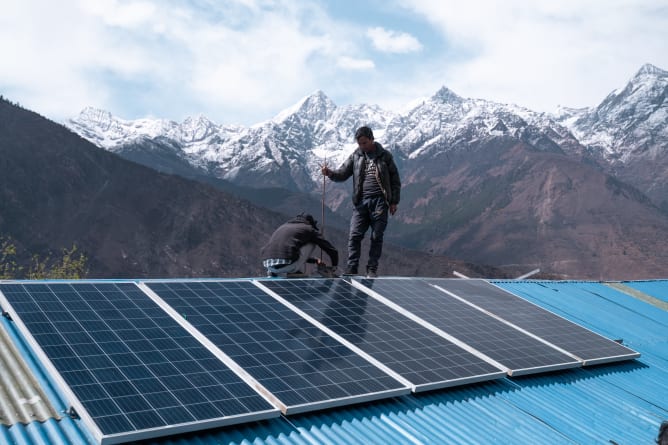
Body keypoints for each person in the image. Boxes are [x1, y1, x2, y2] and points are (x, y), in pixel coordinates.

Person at [321, 125, 401, 277]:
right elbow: (342, 173)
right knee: (354, 235)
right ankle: (352, 267)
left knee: (377, 236)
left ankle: (372, 268)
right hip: (361, 202)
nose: (362, 146)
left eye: (365, 142)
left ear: (372, 139)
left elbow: (395, 180)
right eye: (360, 143)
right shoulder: (356, 156)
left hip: (380, 202)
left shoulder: (385, 156)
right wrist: (330, 173)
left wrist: (394, 202)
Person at [261, 213, 338, 277]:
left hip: (268, 265)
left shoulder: (283, 227)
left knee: (287, 247)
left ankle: (275, 271)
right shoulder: (309, 229)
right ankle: (292, 270)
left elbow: (288, 250)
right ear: (310, 223)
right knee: (312, 242)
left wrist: (314, 260)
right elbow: (329, 248)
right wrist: (334, 266)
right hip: (287, 265)